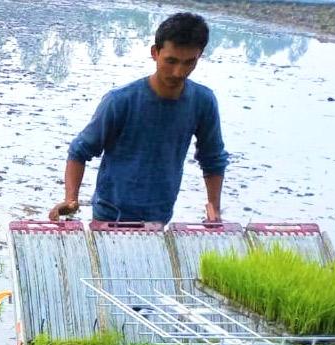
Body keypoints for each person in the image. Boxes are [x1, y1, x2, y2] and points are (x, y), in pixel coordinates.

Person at [49, 12, 228, 224]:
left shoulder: (203, 102)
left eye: (189, 62)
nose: (179, 72)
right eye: (171, 61)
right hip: (109, 215)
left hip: (159, 216)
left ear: (200, 56)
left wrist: (214, 209)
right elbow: (80, 150)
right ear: (155, 53)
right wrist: (71, 200)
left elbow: (213, 158)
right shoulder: (120, 101)